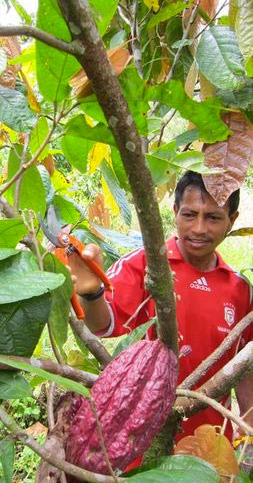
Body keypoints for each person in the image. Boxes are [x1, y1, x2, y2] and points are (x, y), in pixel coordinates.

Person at [69, 170, 253, 441]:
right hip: (141, 436)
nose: (199, 228)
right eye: (190, 215)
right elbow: (102, 325)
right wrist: (92, 293)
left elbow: (243, 364)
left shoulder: (239, 290)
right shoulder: (146, 264)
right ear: (176, 211)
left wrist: (248, 423)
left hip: (209, 442)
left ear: (231, 221)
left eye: (213, 217)